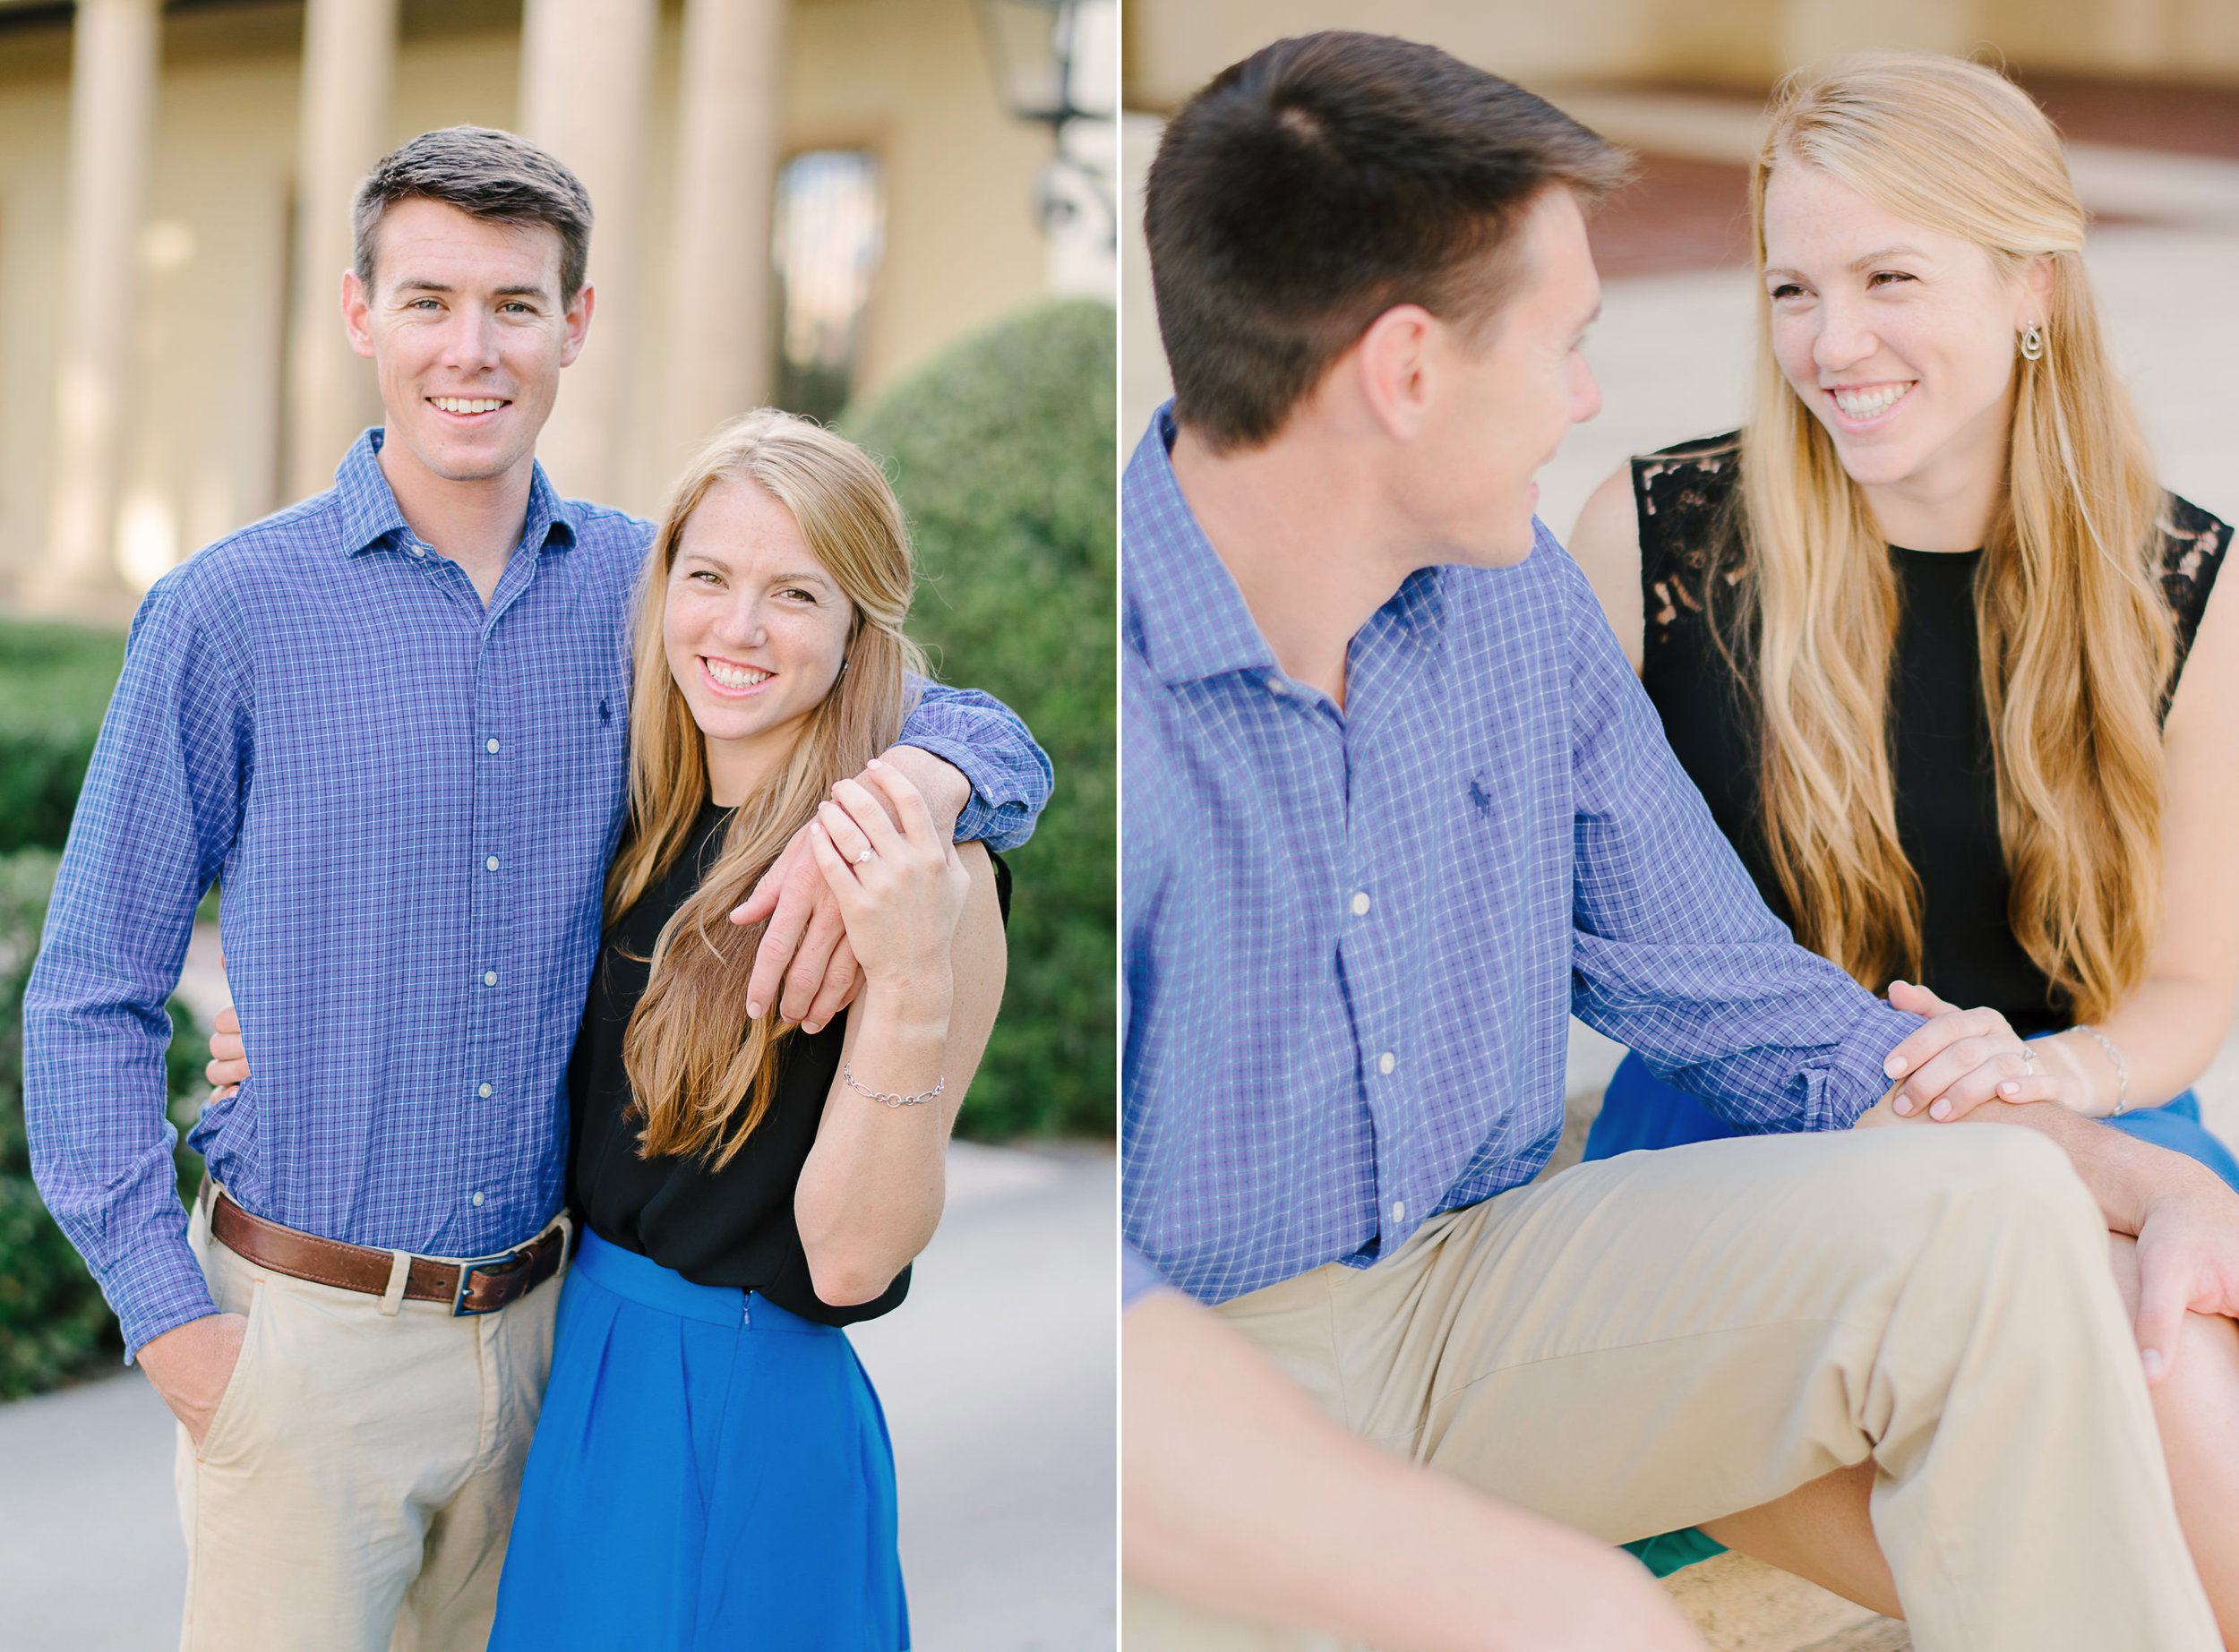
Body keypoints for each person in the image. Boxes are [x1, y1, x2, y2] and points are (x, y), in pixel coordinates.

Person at [1121, 30, 2238, 1651]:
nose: (1592, 395)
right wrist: (1537, 1592)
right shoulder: (1117, 690)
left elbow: (1745, 992)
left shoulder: (1512, 616)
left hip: (1478, 1286)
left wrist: (2128, 1173)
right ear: (1410, 372)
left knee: (2003, 1215)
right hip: (1194, 1367)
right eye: (1566, 344)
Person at [21, 127, 1048, 1651]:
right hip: (306, 1347)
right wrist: (171, 1327)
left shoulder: (657, 589)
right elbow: (89, 993)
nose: (470, 349)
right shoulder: (229, 611)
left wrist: (925, 788)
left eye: (515, 304)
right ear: (360, 312)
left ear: (576, 325)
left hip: (556, 1340)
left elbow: (961, 713)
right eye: (428, 300)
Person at [1566, 54, 2239, 1628]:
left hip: (2071, 1102)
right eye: (1792, 286)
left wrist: (2050, 1078)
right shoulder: (1652, 543)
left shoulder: (2187, 585)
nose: (1830, 343)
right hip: (1741, 1135)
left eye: (1888, 278)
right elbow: (1567, 923)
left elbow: (2193, 981)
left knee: (2175, 1345)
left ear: (2035, 290)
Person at [476, 410, 1006, 1648]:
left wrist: (913, 979)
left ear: (856, 627)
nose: (739, 628)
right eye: (708, 577)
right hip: (581, 1377)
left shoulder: (926, 872)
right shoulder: (644, 815)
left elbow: (854, 1258)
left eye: (796, 594)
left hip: (740, 1409)